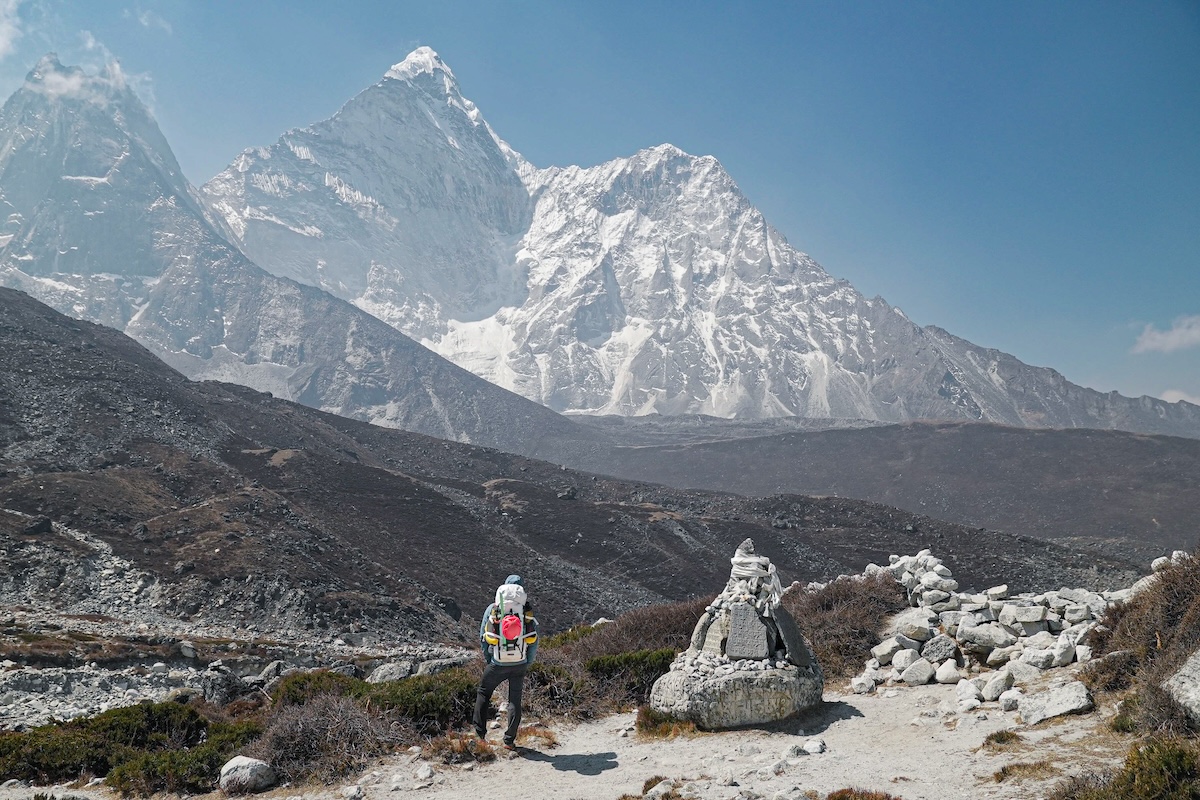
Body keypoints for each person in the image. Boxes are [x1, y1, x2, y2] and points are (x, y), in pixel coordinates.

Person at [473, 574, 538, 749]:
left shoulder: (493, 608)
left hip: (497, 663)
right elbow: (534, 639)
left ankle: (480, 736)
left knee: (484, 693)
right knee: (514, 701)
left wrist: (490, 659)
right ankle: (509, 740)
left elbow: (483, 636)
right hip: (520, 662)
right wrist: (526, 662)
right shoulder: (526, 610)